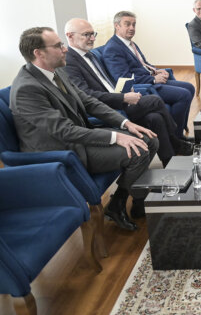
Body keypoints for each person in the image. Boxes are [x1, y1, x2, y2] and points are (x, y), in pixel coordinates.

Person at [10, 27, 159, 231]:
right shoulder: (27, 89)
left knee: (150, 139)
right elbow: (65, 131)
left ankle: (120, 203)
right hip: (61, 151)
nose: (65, 49)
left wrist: (125, 124)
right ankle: (121, 203)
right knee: (139, 151)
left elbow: (88, 101)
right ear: (39, 53)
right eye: (58, 46)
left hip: (77, 137)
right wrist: (116, 137)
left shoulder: (56, 71)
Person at [63, 18, 193, 167]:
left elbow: (107, 82)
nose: (92, 38)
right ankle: (176, 141)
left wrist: (125, 89)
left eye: (93, 34)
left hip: (117, 97)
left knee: (155, 118)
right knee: (155, 100)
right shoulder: (69, 61)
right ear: (70, 36)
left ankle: (169, 163)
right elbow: (87, 95)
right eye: (86, 34)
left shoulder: (90, 55)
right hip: (106, 107)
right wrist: (123, 97)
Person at [103, 11, 195, 137]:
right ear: (116, 26)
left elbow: (143, 64)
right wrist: (153, 80)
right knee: (183, 95)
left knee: (190, 87)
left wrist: (156, 70)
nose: (132, 28)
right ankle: (176, 137)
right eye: (127, 24)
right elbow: (124, 79)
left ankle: (181, 127)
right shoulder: (113, 48)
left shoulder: (130, 43)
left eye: (134, 24)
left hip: (148, 78)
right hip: (141, 87)